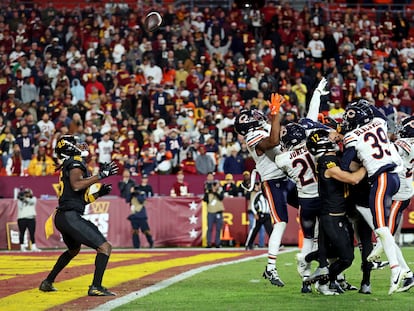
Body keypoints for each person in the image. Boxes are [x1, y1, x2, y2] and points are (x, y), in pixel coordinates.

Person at [340, 99, 412, 295]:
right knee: (379, 226)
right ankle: (387, 255)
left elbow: (345, 166)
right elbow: (378, 113)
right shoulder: (379, 122)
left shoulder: (352, 136)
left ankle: (397, 271)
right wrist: (365, 104)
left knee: (380, 227)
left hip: (382, 179)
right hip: (396, 178)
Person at [39, 135, 119, 296]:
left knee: (73, 250)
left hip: (64, 216)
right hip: (68, 216)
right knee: (105, 247)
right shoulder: (75, 163)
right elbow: (76, 186)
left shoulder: (70, 164)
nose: (81, 145)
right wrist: (101, 175)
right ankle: (96, 286)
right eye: (76, 143)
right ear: (70, 147)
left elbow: (80, 200)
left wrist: (98, 194)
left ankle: (48, 282)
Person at [304, 129, 367, 295]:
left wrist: (362, 162)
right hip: (332, 216)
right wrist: (369, 164)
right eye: (328, 137)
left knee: (345, 253)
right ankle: (322, 277)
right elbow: (353, 178)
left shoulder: (330, 159)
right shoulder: (327, 161)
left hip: (337, 215)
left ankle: (315, 259)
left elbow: (351, 167)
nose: (332, 138)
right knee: (346, 258)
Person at [234, 93, 286, 286]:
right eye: (253, 117)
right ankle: (271, 267)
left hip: (287, 176)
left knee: (314, 212)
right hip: (272, 181)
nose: (258, 117)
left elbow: (281, 136)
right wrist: (275, 115)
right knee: (280, 223)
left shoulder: (261, 128)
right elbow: (273, 142)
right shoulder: (253, 136)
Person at [245, 182, 273, 250]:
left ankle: (276, 244)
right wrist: (255, 213)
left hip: (267, 214)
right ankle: (248, 244)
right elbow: (253, 204)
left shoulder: (269, 194)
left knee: (270, 231)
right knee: (254, 230)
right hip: (260, 215)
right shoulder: (258, 194)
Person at [127, 183, 154, 249]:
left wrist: (137, 194)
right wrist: (131, 193)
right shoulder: (132, 196)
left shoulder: (142, 194)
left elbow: (141, 201)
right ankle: (136, 246)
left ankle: (151, 243)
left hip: (141, 215)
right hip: (134, 216)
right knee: (135, 231)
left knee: (146, 231)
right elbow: (127, 200)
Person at [203, 176, 225, 248]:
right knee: (209, 228)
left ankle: (217, 243)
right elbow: (205, 200)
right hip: (211, 212)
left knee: (218, 228)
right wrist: (207, 191)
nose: (215, 185)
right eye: (214, 184)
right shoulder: (209, 192)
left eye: (216, 184)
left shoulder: (220, 191)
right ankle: (208, 243)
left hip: (218, 211)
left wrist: (215, 191)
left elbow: (221, 198)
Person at [17, 187, 41, 252]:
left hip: (31, 218)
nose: (27, 194)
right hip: (22, 218)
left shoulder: (33, 199)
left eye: (28, 193)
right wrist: (21, 199)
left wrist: (24, 199)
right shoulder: (20, 200)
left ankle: (33, 247)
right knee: (22, 233)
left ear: (31, 193)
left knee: (32, 233)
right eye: (26, 193)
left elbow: (31, 202)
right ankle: (22, 247)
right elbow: (20, 207)